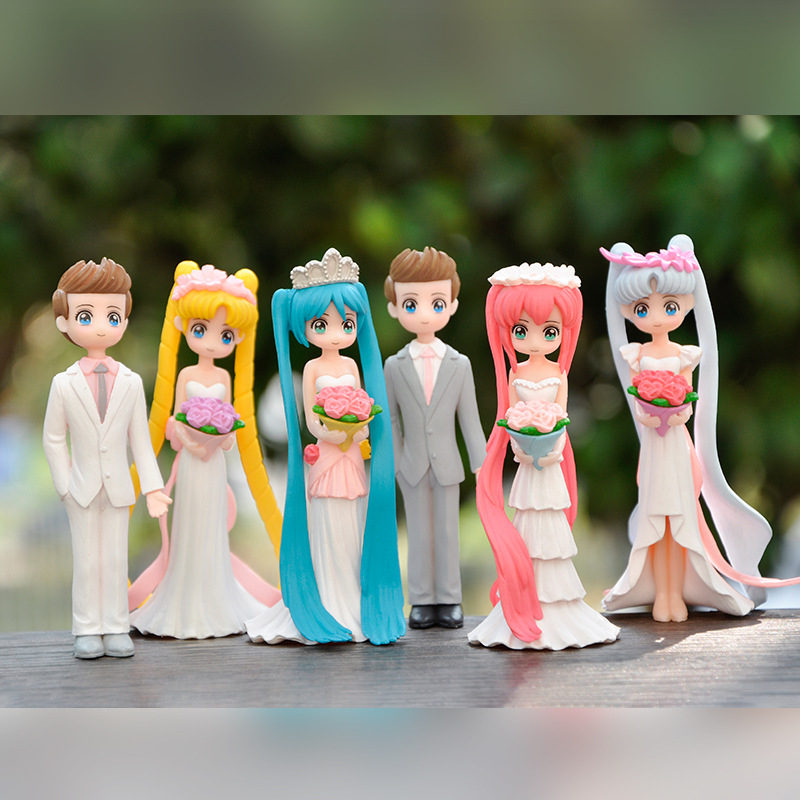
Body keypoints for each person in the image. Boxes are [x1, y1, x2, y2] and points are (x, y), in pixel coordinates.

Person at [602, 235, 800, 621]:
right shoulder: (636, 354)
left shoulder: (684, 354)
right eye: (642, 308)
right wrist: (648, 414)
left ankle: (680, 590)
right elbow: (635, 395)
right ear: (629, 311)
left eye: (669, 306)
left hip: (676, 444)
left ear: (687, 305)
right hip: (654, 448)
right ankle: (664, 593)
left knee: (681, 519)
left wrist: (674, 413)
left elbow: (687, 399)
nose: (656, 317)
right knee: (656, 523)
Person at [246, 247, 405, 645]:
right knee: (328, 525)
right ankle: (326, 598)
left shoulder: (351, 366)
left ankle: (352, 594)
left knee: (352, 525)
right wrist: (332, 433)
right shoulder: (313, 368)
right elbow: (311, 420)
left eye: (346, 323)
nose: (335, 333)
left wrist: (360, 430)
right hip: (329, 455)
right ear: (306, 328)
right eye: (322, 324)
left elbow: (364, 403)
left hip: (351, 456)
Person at [469, 262, 619, 649]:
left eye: (548, 332)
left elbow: (562, 417)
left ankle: (555, 604)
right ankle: (522, 600)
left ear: (563, 333)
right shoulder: (516, 375)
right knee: (528, 527)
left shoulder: (559, 374)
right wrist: (521, 447)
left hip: (550, 461)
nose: (535, 341)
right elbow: (510, 416)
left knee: (550, 531)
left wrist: (552, 450)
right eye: (522, 331)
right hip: (525, 460)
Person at [127, 262, 281, 638]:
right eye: (201, 330)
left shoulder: (225, 376)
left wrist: (223, 437)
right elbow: (177, 418)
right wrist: (192, 439)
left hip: (214, 464)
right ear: (185, 327)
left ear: (236, 338)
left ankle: (214, 594)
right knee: (190, 523)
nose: (212, 342)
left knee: (211, 526)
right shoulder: (187, 375)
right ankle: (185, 593)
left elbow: (229, 418)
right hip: (192, 462)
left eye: (225, 335)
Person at [43, 258, 171, 658]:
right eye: (86, 315)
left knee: (115, 561)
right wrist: (64, 484)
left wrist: (152, 488)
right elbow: (53, 438)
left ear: (124, 321)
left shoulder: (131, 383)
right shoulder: (63, 384)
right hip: (80, 488)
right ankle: (86, 628)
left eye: (112, 316)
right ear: (64, 321)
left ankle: (115, 626)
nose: (101, 326)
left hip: (119, 489)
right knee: (87, 561)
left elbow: (140, 441)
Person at [383, 247, 486, 630]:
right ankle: (422, 601)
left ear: (452, 305)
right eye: (412, 304)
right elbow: (391, 419)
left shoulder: (460, 365)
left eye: (437, 303)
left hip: (448, 464)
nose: (425, 313)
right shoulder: (394, 366)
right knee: (418, 535)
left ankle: (450, 598)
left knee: (446, 533)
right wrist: (395, 460)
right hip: (411, 464)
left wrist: (481, 462)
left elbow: (469, 419)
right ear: (395, 307)